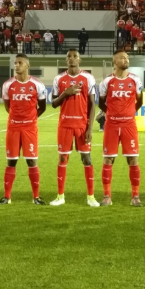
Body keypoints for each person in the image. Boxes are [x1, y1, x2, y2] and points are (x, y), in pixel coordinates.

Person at [50, 49, 99, 207]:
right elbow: (54, 103)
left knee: (87, 158)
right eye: (69, 57)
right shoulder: (59, 79)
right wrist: (65, 93)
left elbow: (92, 105)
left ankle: (91, 197)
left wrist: (90, 128)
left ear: (80, 60)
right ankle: (60, 196)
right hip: (64, 125)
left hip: (81, 126)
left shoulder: (88, 78)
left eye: (75, 56)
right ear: (66, 60)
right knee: (63, 158)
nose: (72, 59)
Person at [0, 54, 47, 205]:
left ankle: (36, 197)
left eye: (20, 63)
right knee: (11, 161)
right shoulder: (7, 85)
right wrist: (17, 118)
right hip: (13, 127)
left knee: (32, 161)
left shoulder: (37, 85)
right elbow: (8, 106)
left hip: (29, 128)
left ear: (27, 66)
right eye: (15, 63)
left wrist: (31, 118)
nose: (16, 65)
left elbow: (42, 107)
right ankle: (7, 197)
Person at [98, 50, 143, 206]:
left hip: (129, 125)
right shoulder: (107, 81)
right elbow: (101, 102)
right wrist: (113, 113)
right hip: (111, 124)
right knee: (108, 159)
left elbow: (139, 101)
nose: (126, 60)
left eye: (127, 58)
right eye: (122, 58)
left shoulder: (135, 80)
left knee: (133, 159)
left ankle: (135, 197)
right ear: (115, 61)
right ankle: (106, 196)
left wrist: (127, 113)